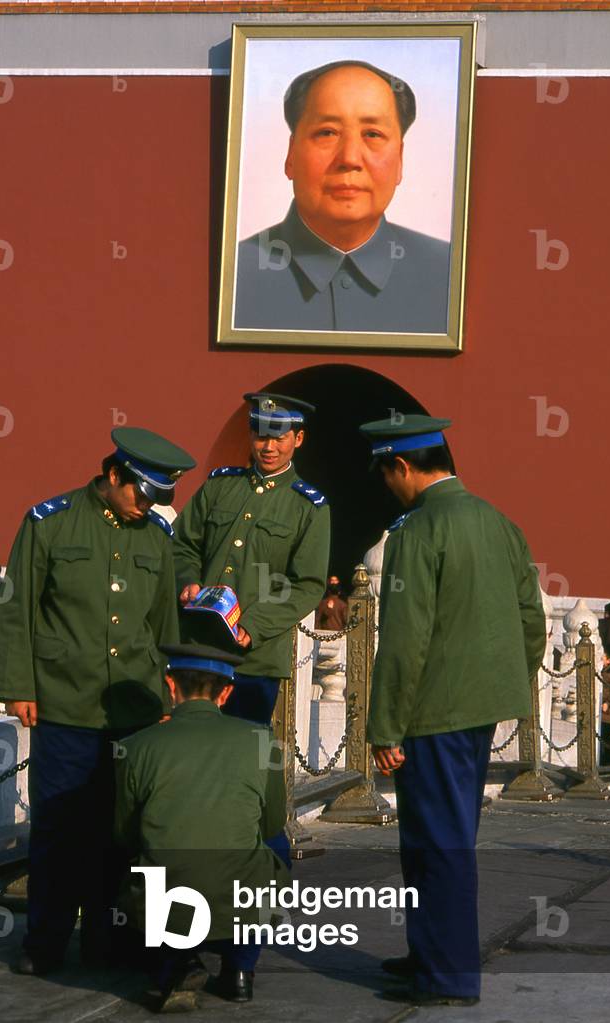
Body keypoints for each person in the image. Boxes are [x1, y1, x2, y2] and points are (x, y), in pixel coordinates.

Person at [0, 427, 196, 976]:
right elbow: (17, 610)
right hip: (64, 702)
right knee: (59, 829)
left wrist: (169, 694)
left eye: (159, 497)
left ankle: (110, 942)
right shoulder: (49, 522)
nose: (148, 505)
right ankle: (45, 943)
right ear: (113, 476)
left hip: (134, 709)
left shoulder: (155, 537)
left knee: (121, 831)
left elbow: (162, 625)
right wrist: (18, 687)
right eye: (142, 493)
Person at [359, 414, 546, 1008]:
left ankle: (447, 977)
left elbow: (405, 638)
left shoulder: (417, 531)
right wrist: (504, 680)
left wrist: (385, 725)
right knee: (445, 839)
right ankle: (430, 954)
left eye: (388, 473)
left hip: (432, 711)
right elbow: (531, 621)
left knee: (435, 843)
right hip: (481, 706)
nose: (388, 485)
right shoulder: (500, 522)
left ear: (404, 466)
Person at [114, 642, 289, 1013]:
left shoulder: (137, 746)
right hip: (238, 892)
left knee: (151, 853)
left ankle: (173, 963)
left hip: (168, 892)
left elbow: (124, 833)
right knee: (276, 845)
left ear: (170, 685)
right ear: (226, 692)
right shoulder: (261, 741)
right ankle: (240, 970)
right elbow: (272, 821)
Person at [235, 60, 451, 334]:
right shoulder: (233, 275)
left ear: (400, 160)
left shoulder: (451, 274)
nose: (349, 158)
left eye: (372, 134)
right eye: (327, 133)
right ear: (290, 155)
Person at [173, 392, 330, 727]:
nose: (268, 447)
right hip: (198, 644)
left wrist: (254, 625)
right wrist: (187, 579)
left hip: (254, 658)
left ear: (298, 439)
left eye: (278, 438)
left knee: (242, 752)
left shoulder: (309, 507)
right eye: (260, 436)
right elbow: (182, 544)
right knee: (192, 747)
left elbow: (307, 585)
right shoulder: (219, 486)